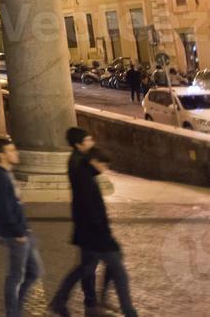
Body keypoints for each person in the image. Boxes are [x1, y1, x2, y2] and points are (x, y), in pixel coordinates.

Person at [49, 133, 139, 317]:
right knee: (118, 273)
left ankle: (64, 301)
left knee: (85, 268)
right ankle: (127, 311)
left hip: (89, 234)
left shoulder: (83, 168)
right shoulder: (81, 171)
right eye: (88, 140)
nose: (105, 169)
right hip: (95, 236)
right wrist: (103, 235)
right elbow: (89, 209)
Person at [0, 137, 41, 317]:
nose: (16, 153)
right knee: (16, 276)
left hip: (23, 231)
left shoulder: (7, 174)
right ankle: (13, 313)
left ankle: (16, 308)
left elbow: (15, 204)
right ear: (2, 155)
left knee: (34, 272)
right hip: (16, 234)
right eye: (11, 150)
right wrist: (18, 232)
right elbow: (3, 208)